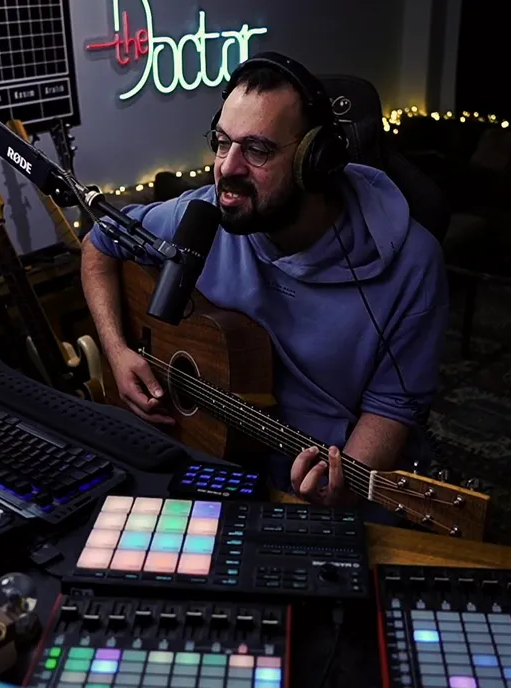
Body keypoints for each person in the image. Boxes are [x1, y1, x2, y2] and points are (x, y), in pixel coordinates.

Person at [80, 52, 448, 510]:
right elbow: (99, 243)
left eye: (257, 150)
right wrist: (117, 351)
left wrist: (338, 492)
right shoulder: (202, 215)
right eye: (222, 143)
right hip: (207, 451)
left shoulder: (413, 263)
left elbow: (391, 409)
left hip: (315, 486)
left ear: (314, 161)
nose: (227, 168)